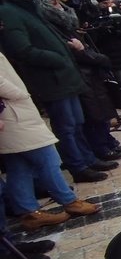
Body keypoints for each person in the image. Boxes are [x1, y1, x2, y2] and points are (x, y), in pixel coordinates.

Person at [0, 0, 111, 183]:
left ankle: (87, 158)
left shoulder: (27, 8)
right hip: (52, 78)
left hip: (65, 75)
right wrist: (58, 58)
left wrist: (68, 46)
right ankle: (77, 166)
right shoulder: (9, 12)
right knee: (66, 126)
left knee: (78, 121)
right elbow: (22, 49)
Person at [0, 48, 102, 232]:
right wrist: (21, 94)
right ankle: (69, 201)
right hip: (12, 113)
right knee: (47, 159)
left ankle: (29, 212)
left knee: (18, 165)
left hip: (10, 115)